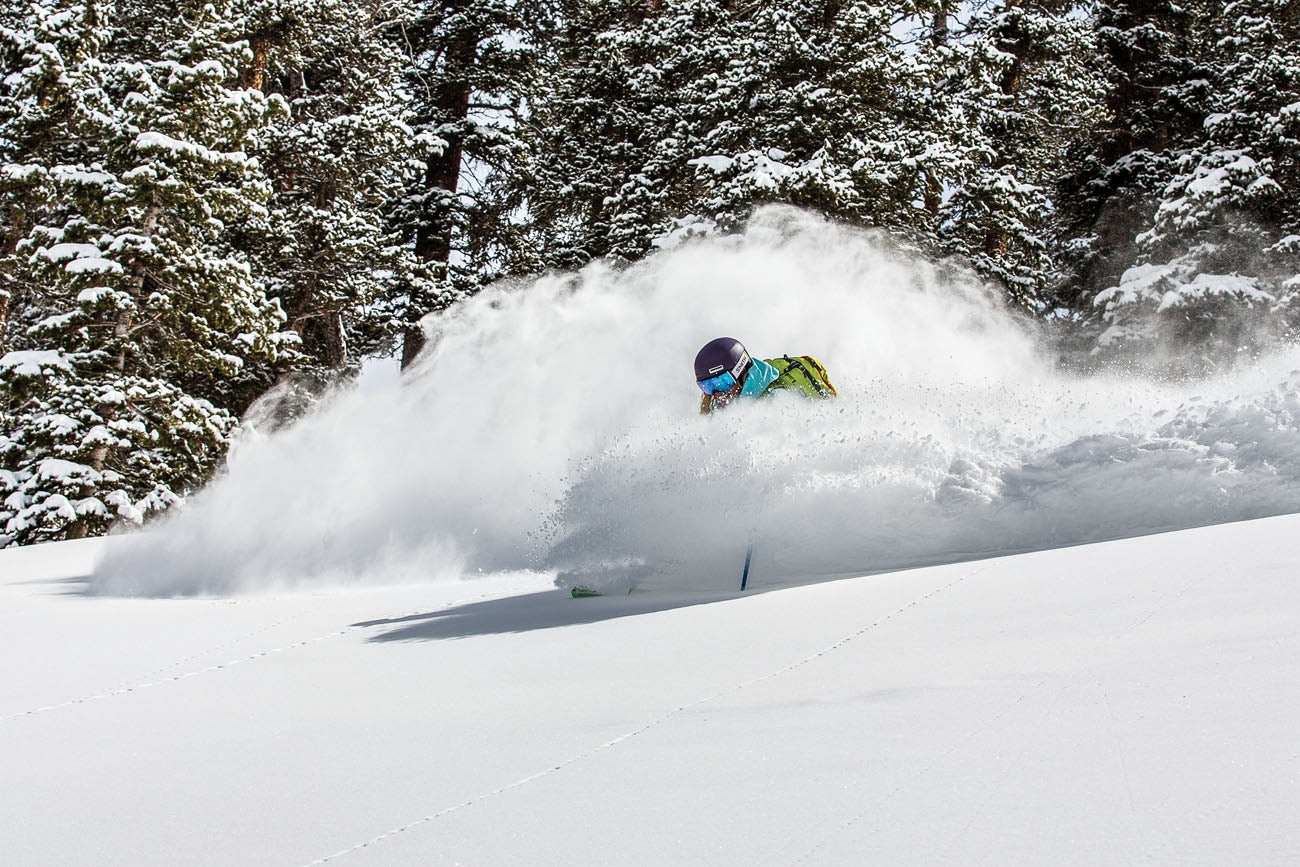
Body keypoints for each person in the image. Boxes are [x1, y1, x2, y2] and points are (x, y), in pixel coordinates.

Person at [694, 336, 837, 414]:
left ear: (741, 372)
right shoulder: (718, 407)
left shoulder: (777, 400)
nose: (718, 393)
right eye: (708, 386)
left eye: (723, 381)